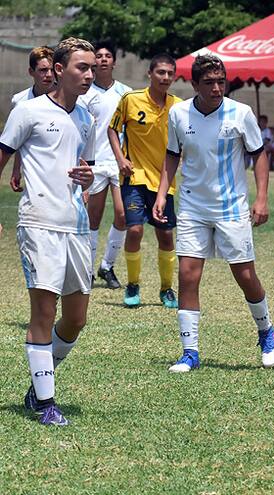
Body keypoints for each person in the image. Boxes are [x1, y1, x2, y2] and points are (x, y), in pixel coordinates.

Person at [154, 54, 274, 372]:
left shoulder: (241, 113)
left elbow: (259, 155)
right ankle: (190, 352)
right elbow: (171, 155)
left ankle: (266, 332)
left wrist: (262, 197)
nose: (216, 88)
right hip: (193, 206)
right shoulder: (179, 114)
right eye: (208, 82)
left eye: (221, 81)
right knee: (187, 276)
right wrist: (161, 193)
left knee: (245, 275)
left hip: (231, 208)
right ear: (194, 84)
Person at [0, 37, 97, 426]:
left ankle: (41, 379)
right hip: (39, 222)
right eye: (81, 67)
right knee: (44, 311)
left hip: (75, 226)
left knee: (76, 318)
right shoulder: (28, 112)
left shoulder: (87, 117)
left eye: (92, 67)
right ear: (58, 70)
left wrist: (88, 176)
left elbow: (80, 168)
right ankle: (44, 402)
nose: (89, 74)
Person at [109, 53, 182, 309]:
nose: (165, 77)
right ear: (149, 74)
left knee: (165, 236)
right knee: (135, 229)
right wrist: (120, 159)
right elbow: (112, 128)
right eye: (160, 72)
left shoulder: (179, 106)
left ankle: (166, 289)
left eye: (170, 73)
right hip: (134, 177)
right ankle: (133, 284)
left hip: (164, 181)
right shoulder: (130, 99)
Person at [80, 40, 132, 289]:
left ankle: (107, 266)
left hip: (120, 163)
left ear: (114, 61)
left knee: (123, 215)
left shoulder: (126, 92)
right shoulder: (84, 93)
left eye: (106, 56)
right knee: (93, 218)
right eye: (98, 56)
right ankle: (88, 270)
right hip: (95, 163)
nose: (102, 59)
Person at [8, 45, 56, 193]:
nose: (48, 75)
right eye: (43, 70)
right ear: (31, 72)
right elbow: (19, 138)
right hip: (35, 169)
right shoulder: (20, 101)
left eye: (52, 70)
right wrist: (16, 169)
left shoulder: (69, 98)